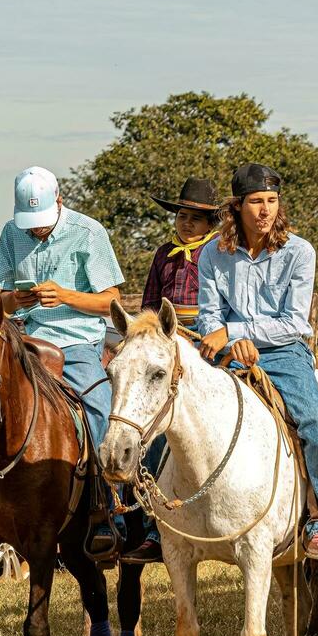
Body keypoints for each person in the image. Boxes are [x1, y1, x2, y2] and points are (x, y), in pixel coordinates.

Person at [0, 167, 125, 562]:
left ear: (59, 202)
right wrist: (16, 300)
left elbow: (111, 301)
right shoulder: (11, 232)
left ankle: (104, 509)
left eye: (42, 225)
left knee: (100, 406)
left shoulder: (89, 233)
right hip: (24, 337)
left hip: (78, 342)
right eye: (31, 225)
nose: (36, 232)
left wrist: (65, 295)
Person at [194, 163, 318, 560]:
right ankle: (155, 520)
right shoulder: (212, 254)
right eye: (256, 201)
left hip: (284, 352)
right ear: (237, 207)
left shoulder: (299, 251)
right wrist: (228, 340)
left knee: (315, 419)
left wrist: (239, 333)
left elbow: (294, 322)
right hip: (226, 351)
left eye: (272, 201)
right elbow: (208, 317)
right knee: (177, 403)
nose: (265, 210)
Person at [122, 177, 222, 565]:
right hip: (166, 345)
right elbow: (149, 306)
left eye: (195, 219)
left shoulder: (217, 252)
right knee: (151, 430)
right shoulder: (164, 254)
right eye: (182, 216)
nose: (186, 224)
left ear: (210, 223)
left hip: (208, 342)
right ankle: (150, 528)